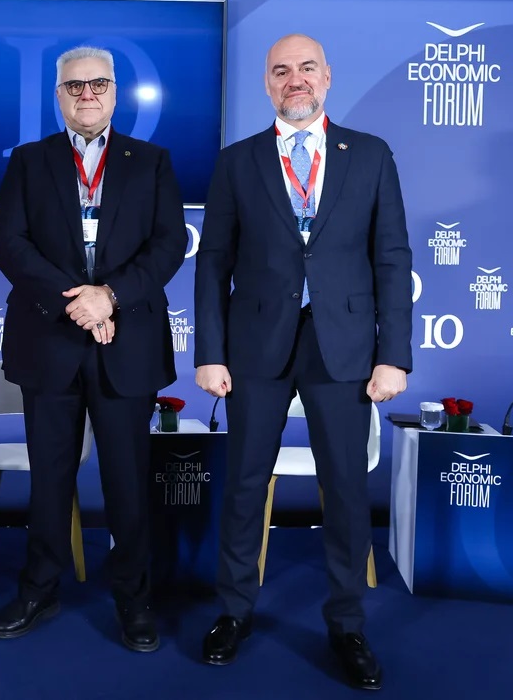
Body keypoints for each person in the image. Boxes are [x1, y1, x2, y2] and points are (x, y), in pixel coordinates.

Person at [194, 34, 412, 691]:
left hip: (344, 349)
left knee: (344, 491)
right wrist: (210, 353)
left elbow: (392, 259)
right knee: (244, 486)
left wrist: (394, 356)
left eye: (307, 68)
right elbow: (213, 263)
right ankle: (234, 611)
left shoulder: (370, 155)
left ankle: (347, 625)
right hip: (255, 347)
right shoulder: (237, 162)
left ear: (328, 77)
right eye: (282, 70)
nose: (296, 79)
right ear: (266, 83)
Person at [0, 46, 187, 652]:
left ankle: (134, 598)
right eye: (74, 86)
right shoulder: (29, 160)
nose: (87, 95)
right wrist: (77, 302)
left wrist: (110, 298)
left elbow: (169, 244)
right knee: (49, 479)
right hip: (50, 340)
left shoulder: (151, 161)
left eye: (98, 84)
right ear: (58, 96)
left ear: (115, 92)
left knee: (128, 482)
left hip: (127, 343)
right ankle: (39, 589)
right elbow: (9, 242)